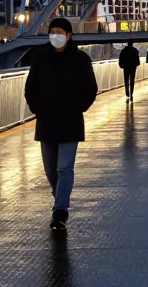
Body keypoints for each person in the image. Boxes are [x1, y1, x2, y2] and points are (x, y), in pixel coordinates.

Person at [24, 17, 99, 230]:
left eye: (59, 32)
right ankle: (60, 196)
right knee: (50, 170)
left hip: (70, 121)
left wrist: (78, 107)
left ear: (69, 36)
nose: (55, 36)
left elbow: (90, 89)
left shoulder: (80, 59)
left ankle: (60, 212)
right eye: (52, 31)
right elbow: (31, 87)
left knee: (64, 167)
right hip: (46, 121)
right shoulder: (40, 57)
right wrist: (37, 108)